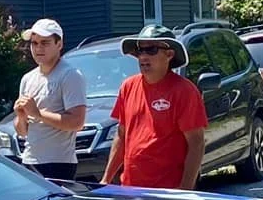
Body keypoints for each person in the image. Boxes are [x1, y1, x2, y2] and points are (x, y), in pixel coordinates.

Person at [102, 26, 208, 190]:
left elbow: (196, 143)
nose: (143, 56)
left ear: (169, 54)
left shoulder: (184, 91)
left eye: (151, 50)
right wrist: (106, 180)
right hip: (130, 189)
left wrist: (185, 190)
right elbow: (121, 135)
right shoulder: (128, 86)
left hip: (168, 191)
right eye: (140, 50)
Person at [14, 19, 87, 181]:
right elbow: (23, 132)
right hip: (29, 160)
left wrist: (38, 114)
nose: (38, 48)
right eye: (34, 43)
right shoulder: (28, 79)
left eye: (45, 43)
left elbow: (77, 122)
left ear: (59, 44)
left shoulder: (70, 75)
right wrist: (20, 116)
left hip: (58, 162)